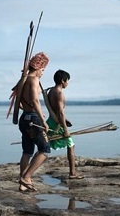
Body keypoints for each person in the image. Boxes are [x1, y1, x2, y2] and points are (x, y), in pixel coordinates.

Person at [18, 52, 50, 192]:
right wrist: (43, 120)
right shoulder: (33, 80)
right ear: (38, 67)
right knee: (44, 150)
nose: (43, 73)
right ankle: (26, 177)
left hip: (24, 118)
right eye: (43, 70)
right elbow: (35, 101)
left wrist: (29, 110)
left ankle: (23, 183)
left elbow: (17, 101)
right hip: (32, 119)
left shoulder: (23, 79)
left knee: (27, 151)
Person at [46, 70, 84, 179]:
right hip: (57, 124)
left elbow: (55, 110)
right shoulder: (59, 94)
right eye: (67, 81)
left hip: (51, 121)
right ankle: (72, 173)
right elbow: (60, 112)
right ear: (63, 81)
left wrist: (65, 119)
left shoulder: (51, 91)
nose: (68, 83)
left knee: (44, 147)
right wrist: (65, 128)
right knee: (71, 145)